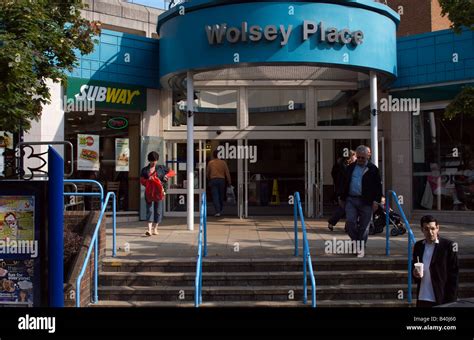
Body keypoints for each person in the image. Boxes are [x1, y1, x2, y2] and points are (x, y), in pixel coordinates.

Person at [339, 145, 383, 255]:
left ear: (368, 156)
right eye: (358, 157)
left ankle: (360, 247)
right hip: (351, 199)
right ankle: (356, 241)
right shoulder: (350, 168)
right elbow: (343, 182)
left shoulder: (373, 169)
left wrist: (376, 201)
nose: (360, 160)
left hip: (367, 201)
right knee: (350, 223)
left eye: (363, 158)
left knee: (364, 226)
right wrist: (341, 197)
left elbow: (378, 186)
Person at [412, 215, 459, 307]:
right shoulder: (418, 246)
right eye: (426, 229)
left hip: (441, 297)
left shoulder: (448, 246)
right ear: (422, 230)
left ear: (438, 228)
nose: (430, 232)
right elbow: (413, 268)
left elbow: (454, 275)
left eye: (433, 228)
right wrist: (414, 273)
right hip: (423, 297)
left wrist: (452, 300)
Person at [140, 151, 175, 236]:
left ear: (157, 160)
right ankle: (149, 230)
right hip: (149, 192)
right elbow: (141, 181)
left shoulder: (161, 168)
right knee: (149, 210)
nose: (153, 162)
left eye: (155, 160)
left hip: (159, 192)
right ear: (149, 160)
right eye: (152, 160)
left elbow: (172, 172)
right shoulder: (145, 170)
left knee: (158, 210)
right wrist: (148, 180)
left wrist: (167, 176)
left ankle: (155, 229)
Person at [328, 150, 356, 231]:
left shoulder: (346, 167)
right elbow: (341, 181)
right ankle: (333, 222)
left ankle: (346, 226)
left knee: (347, 209)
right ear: (350, 158)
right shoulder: (344, 168)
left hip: (347, 192)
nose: (356, 158)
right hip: (344, 192)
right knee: (344, 208)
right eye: (355, 156)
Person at [207, 149, 232, 217]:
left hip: (213, 180)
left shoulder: (210, 163)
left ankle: (217, 211)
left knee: (215, 196)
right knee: (221, 196)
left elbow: (208, 173)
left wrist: (209, 180)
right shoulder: (223, 163)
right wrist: (229, 182)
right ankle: (220, 209)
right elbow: (227, 173)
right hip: (221, 180)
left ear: (213, 155)